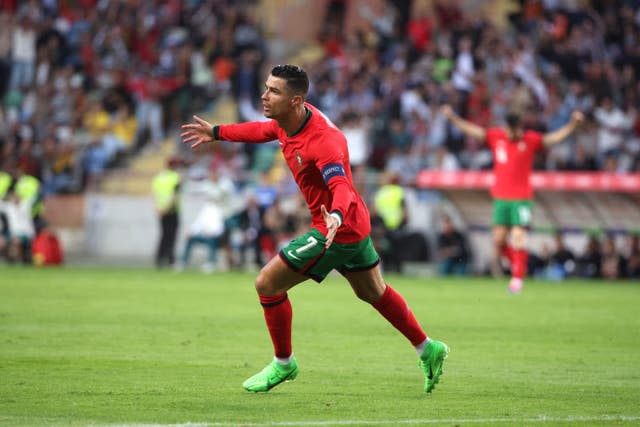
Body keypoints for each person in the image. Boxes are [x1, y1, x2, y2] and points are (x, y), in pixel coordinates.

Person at [181, 64, 449, 394]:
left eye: (274, 91)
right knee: (372, 292)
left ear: (296, 101)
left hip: (337, 227)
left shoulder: (324, 140)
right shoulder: (286, 122)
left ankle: (283, 363)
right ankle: (427, 347)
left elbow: (341, 186)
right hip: (353, 224)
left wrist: (334, 217)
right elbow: (262, 131)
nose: (265, 96)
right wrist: (218, 132)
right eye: (266, 88)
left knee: (267, 283)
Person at [441, 104, 584, 293]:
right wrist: (453, 119)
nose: (509, 134)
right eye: (507, 129)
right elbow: (474, 131)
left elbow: (552, 139)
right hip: (501, 199)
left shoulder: (530, 140)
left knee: (518, 237)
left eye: (513, 130)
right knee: (499, 242)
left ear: (519, 127)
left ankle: (517, 278)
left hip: (521, 199)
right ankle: (519, 266)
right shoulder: (496, 137)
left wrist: (572, 126)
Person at [151, 157, 181, 268]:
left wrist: (157, 208)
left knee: (163, 235)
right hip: (172, 210)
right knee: (171, 236)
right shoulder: (176, 177)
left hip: (161, 211)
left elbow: (154, 194)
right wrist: (167, 208)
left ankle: (159, 259)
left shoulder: (158, 177)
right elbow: (174, 195)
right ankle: (170, 259)